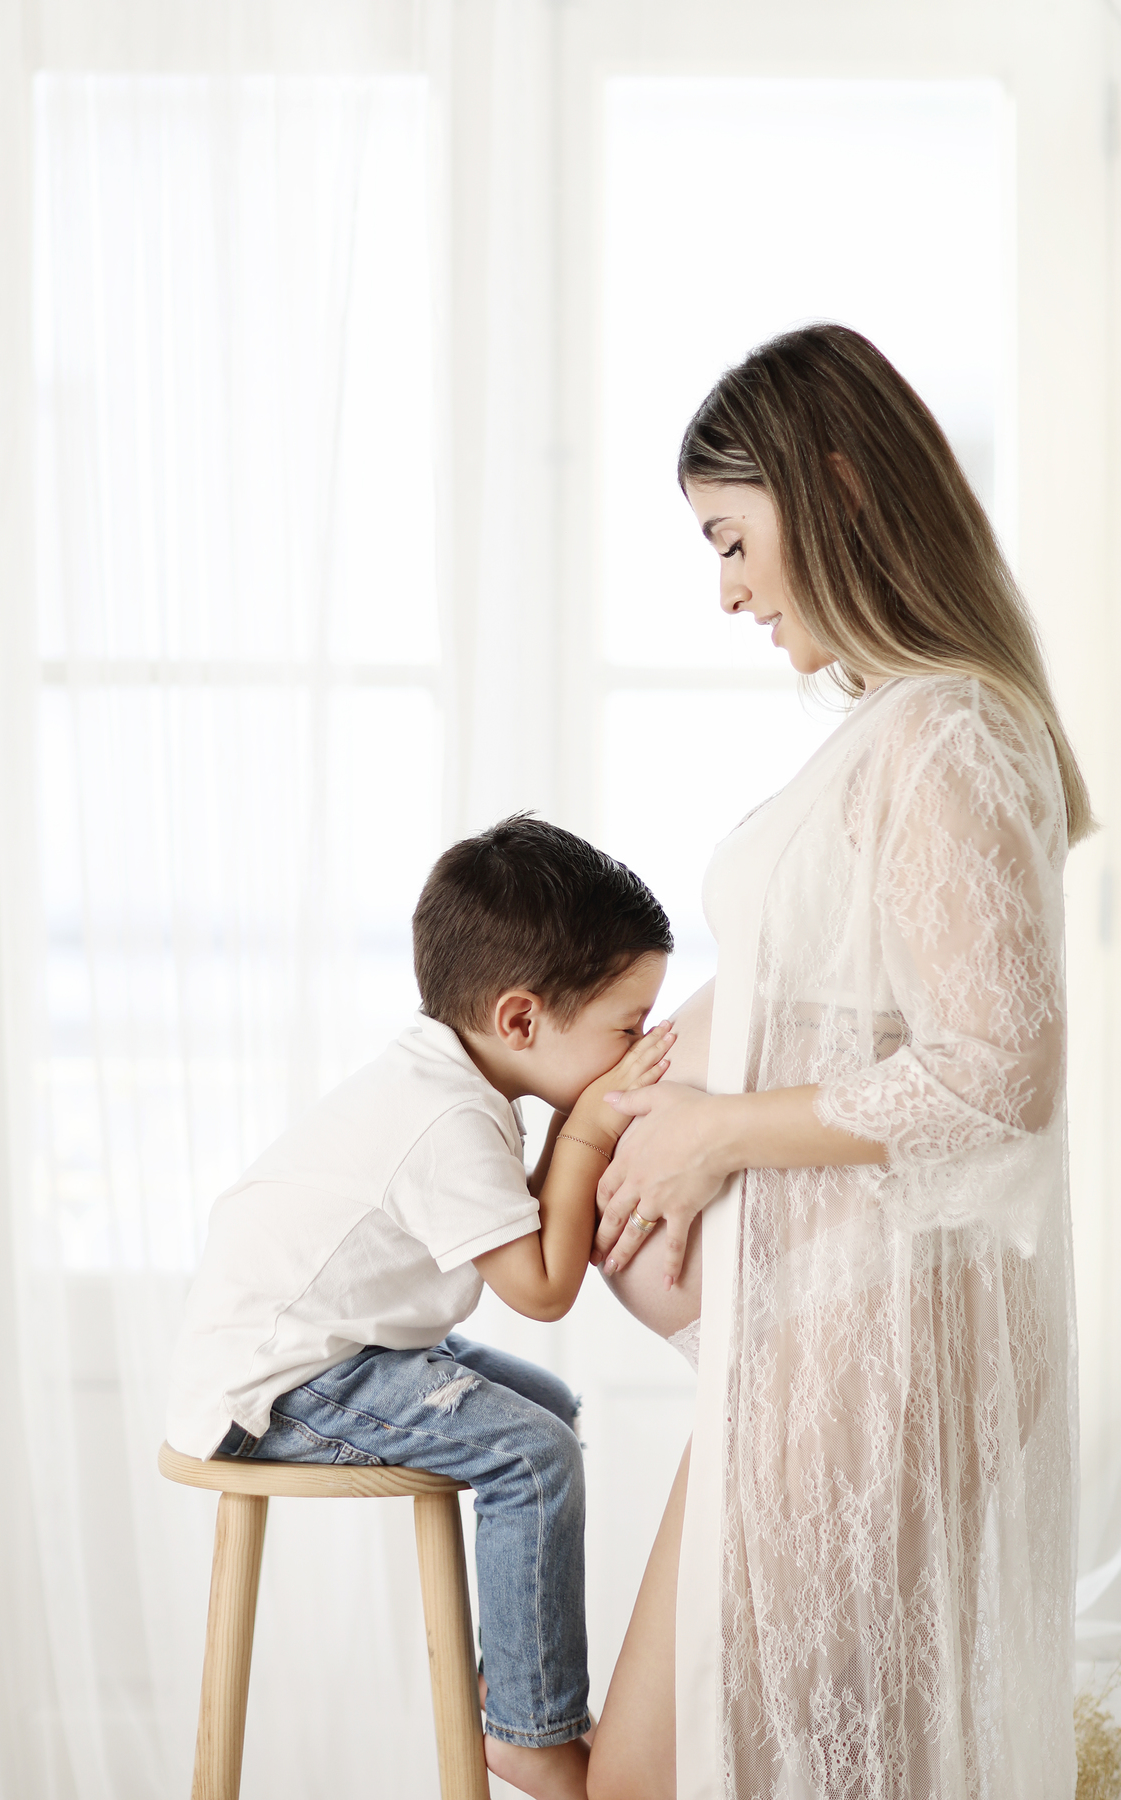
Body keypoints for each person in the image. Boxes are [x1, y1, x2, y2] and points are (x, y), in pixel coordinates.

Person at [584, 324, 1088, 1800]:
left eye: (733, 540)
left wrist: (715, 1131)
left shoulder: (943, 731)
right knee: (688, 1768)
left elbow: (999, 1069)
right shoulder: (897, 731)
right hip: (823, 1331)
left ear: (840, 489)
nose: (727, 590)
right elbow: (858, 991)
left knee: (693, 1774)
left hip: (877, 1336)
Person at [165, 814, 675, 1800]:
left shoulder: (450, 1078)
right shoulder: (443, 1114)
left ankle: (510, 1673)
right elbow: (540, 1287)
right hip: (281, 1386)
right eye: (626, 1027)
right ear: (522, 1019)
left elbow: (514, 1227)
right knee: (534, 1453)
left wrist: (581, 1124)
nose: (636, 1050)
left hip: (338, 1351)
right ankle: (528, 1728)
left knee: (549, 1414)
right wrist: (586, 1133)